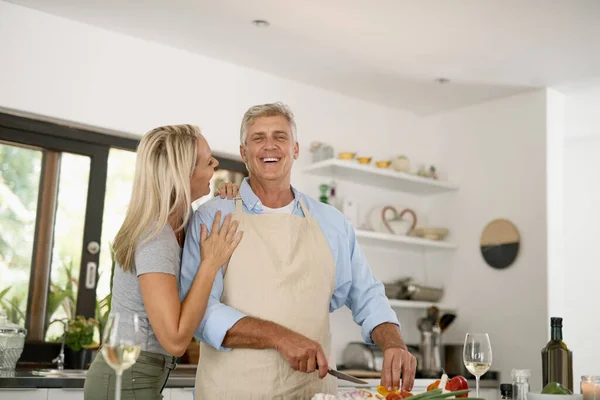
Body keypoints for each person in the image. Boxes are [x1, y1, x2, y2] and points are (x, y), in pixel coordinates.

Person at [180, 103, 417, 399]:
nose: (270, 146)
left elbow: (367, 294)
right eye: (258, 138)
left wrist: (394, 343)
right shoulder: (211, 217)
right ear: (244, 153)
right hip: (233, 391)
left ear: (295, 149)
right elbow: (200, 313)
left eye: (280, 136)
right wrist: (280, 337)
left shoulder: (332, 222)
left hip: (313, 392)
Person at [83, 124, 243, 400]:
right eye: (208, 161)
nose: (216, 163)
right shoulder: (155, 237)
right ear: (182, 174)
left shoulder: (184, 220)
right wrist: (210, 263)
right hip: (125, 378)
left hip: (142, 376)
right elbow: (176, 340)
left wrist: (226, 198)